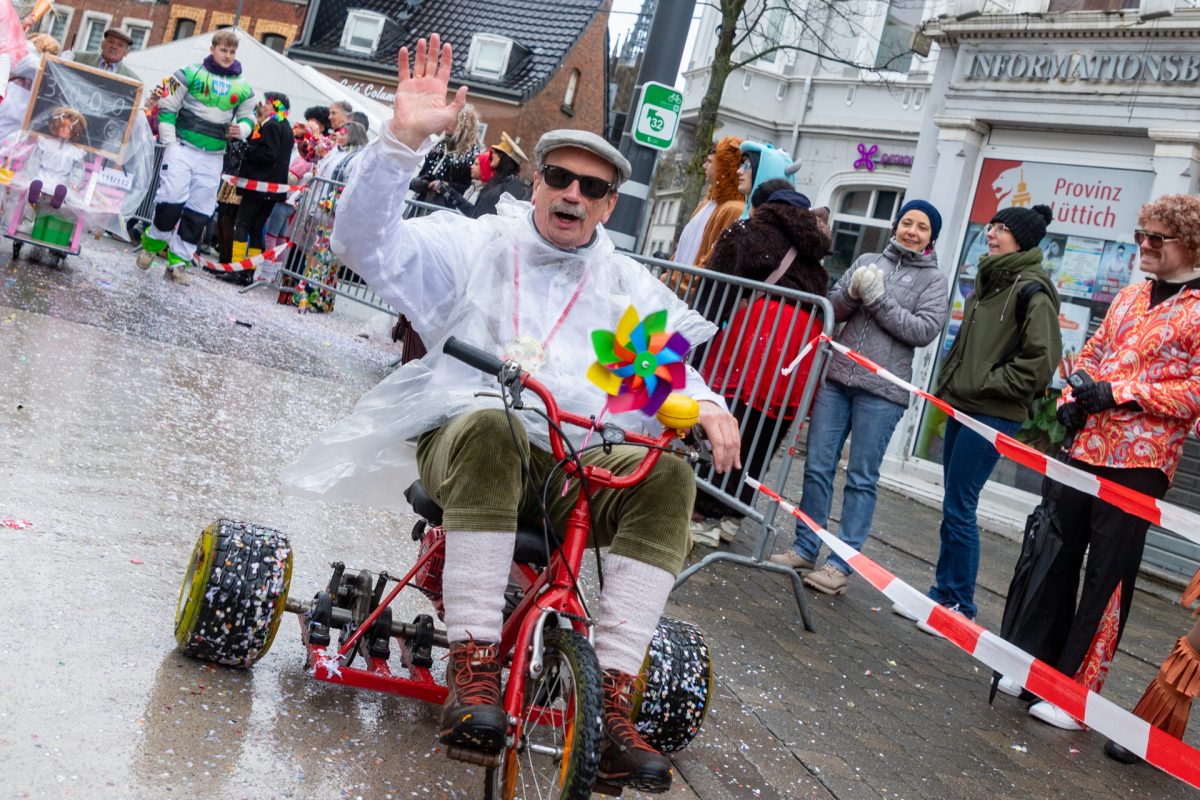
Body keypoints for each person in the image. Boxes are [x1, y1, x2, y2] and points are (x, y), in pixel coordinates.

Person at [280, 34, 741, 793]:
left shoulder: (621, 284)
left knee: (666, 476)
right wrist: (400, 141)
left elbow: (662, 376)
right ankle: (474, 664)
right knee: (493, 423)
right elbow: (363, 242)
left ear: (608, 204)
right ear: (536, 181)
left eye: (591, 190)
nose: (572, 196)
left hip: (570, 465)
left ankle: (614, 702)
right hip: (469, 442)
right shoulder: (475, 245)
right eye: (559, 178)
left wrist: (710, 408)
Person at [998, 195, 1200, 730]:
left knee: (1107, 576)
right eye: (1141, 234)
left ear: (1190, 244)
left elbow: (1196, 391)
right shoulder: (1130, 295)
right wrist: (1073, 396)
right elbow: (1091, 354)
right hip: (1085, 445)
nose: (1144, 246)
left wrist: (1123, 393)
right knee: (1054, 554)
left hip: (1141, 460)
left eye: (1158, 238)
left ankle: (1075, 693)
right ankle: (1031, 663)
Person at [771, 200, 949, 595]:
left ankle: (841, 563)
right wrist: (852, 292)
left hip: (882, 392)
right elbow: (832, 308)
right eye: (907, 222)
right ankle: (805, 546)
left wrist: (878, 299)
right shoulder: (870, 259)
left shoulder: (934, 282)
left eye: (922, 227)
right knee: (817, 465)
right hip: (837, 379)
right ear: (895, 225)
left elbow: (922, 332)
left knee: (861, 478)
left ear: (931, 237)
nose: (912, 232)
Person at [898, 204, 1061, 630]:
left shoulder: (1032, 290)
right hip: (967, 406)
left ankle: (960, 608)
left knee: (960, 505)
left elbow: (1041, 363)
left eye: (1002, 229)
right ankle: (942, 595)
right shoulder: (991, 281)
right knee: (953, 502)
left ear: (1021, 240)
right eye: (992, 226)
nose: (991, 233)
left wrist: (987, 382)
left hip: (992, 413)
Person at [695, 178, 830, 542]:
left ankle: (705, 509)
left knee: (727, 420)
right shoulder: (812, 251)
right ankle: (732, 514)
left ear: (759, 205)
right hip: (796, 353)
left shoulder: (748, 232)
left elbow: (714, 291)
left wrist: (693, 343)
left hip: (753, 343)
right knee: (763, 435)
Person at [136, 30, 255, 284]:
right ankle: (152, 244)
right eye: (223, 50)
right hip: (182, 146)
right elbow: (166, 106)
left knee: (200, 209)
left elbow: (249, 118)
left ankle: (178, 262)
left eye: (232, 51)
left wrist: (242, 129)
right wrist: (170, 143)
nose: (227, 55)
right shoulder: (187, 72)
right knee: (171, 198)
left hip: (213, 156)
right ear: (213, 49)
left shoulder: (244, 87)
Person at [230, 92, 294, 285]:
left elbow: (269, 155)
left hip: (259, 185)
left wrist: (246, 150)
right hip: (271, 189)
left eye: (266, 103)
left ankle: (237, 267)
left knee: (242, 224)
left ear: (275, 106)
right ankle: (248, 272)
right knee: (257, 228)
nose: (263, 106)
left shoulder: (273, 125)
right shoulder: (286, 126)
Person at [673, 136, 743, 268]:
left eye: (710, 162)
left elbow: (711, 258)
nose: (704, 166)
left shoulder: (733, 210)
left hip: (688, 286)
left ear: (723, 167)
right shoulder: (705, 204)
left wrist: (685, 283)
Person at [439, 130, 529, 218]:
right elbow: (476, 213)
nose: (492, 155)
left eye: (497, 153)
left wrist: (454, 195)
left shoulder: (514, 186)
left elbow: (502, 218)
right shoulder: (496, 181)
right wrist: (452, 194)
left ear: (505, 159)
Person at [409, 103, 482, 208]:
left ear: (462, 124)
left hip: (447, 211)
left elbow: (472, 188)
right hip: (421, 205)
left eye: (451, 120)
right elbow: (422, 175)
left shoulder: (472, 154)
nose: (446, 123)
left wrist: (447, 186)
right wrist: (419, 183)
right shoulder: (438, 147)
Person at [69, 28, 140, 80]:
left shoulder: (133, 80)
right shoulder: (76, 58)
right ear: (102, 44)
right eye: (110, 41)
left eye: (120, 45)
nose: (114, 46)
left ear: (126, 52)